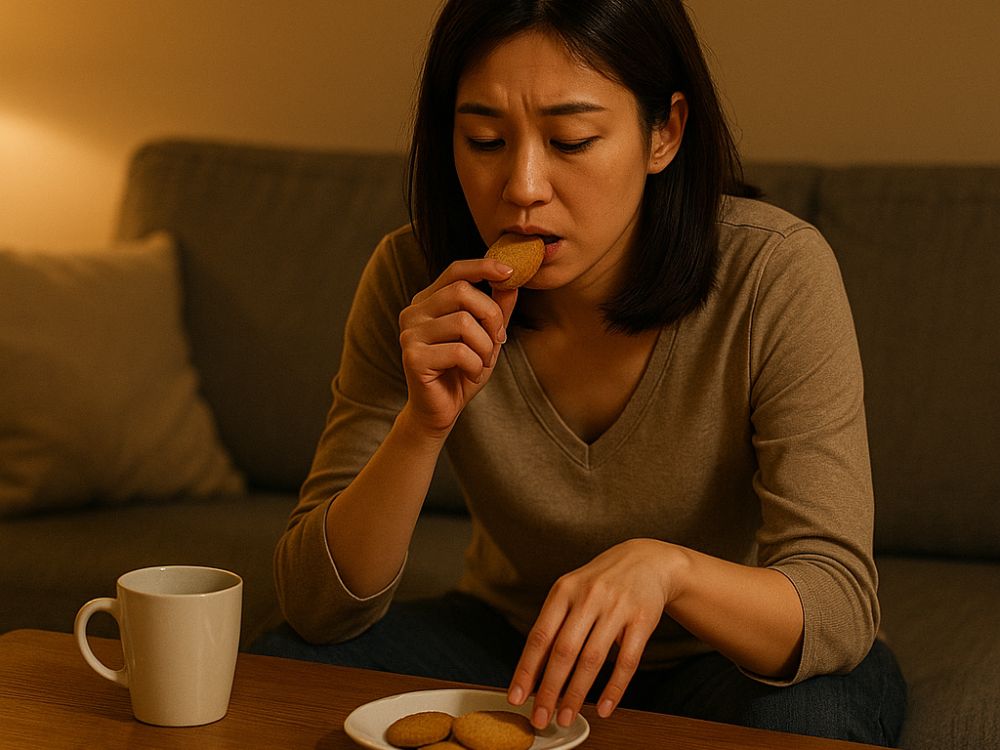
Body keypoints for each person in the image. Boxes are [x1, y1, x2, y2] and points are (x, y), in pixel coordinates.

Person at [253, 0, 907, 744]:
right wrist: (420, 425)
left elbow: (839, 600)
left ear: (664, 131)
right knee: (283, 667)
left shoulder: (774, 275)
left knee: (815, 718)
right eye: (485, 139)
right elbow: (315, 604)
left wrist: (671, 572)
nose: (523, 185)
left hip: (724, 658)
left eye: (570, 140)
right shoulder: (413, 278)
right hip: (511, 642)